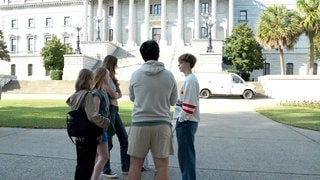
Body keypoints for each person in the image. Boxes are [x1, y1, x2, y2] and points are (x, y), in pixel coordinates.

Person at [128, 40, 178, 180]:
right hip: (162, 123)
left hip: (140, 124)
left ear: (142, 55)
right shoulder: (169, 76)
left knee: (135, 166)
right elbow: (173, 101)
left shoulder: (135, 75)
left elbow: (132, 98)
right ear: (158, 54)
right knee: (162, 166)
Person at [66, 68, 110, 180]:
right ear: (89, 80)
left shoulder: (76, 95)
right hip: (88, 135)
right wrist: (106, 122)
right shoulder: (88, 95)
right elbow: (93, 116)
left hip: (78, 135)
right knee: (87, 167)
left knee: (80, 165)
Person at [101, 55, 130, 178]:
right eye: (115, 64)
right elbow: (112, 94)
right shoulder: (105, 74)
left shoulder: (111, 77)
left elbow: (119, 94)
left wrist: (116, 94)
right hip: (110, 111)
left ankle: (126, 167)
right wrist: (116, 94)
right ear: (111, 64)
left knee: (124, 138)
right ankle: (106, 169)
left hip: (115, 110)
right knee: (109, 141)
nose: (116, 67)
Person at [173, 53, 200, 180]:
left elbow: (189, 105)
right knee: (185, 155)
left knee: (186, 156)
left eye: (181, 62)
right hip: (186, 122)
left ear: (187, 64)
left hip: (186, 123)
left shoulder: (191, 80)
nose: (179, 65)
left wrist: (181, 119)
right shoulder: (189, 79)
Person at [91, 67, 112, 180]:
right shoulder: (96, 93)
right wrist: (97, 133)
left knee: (98, 155)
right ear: (103, 77)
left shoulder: (103, 91)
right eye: (108, 75)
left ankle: (93, 177)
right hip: (99, 129)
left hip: (103, 128)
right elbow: (95, 115)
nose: (109, 77)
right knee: (104, 157)